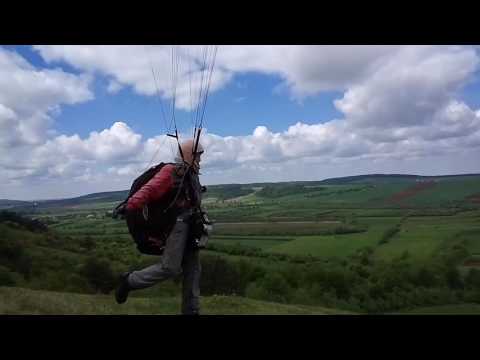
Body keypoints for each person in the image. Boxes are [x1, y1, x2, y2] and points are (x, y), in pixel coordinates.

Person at [115, 139, 206, 315]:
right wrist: (130, 205)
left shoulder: (190, 174)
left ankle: (191, 310)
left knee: (193, 270)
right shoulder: (171, 171)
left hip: (191, 226)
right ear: (189, 155)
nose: (200, 161)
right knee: (170, 267)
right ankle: (130, 281)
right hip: (176, 228)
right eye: (198, 156)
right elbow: (150, 189)